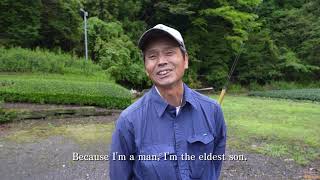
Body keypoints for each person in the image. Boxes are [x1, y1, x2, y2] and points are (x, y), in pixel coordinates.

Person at [109, 24, 227, 180]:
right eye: (152, 56)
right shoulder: (129, 121)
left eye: (169, 52)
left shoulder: (212, 111)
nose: (161, 61)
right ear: (146, 68)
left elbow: (214, 165)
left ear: (185, 60)